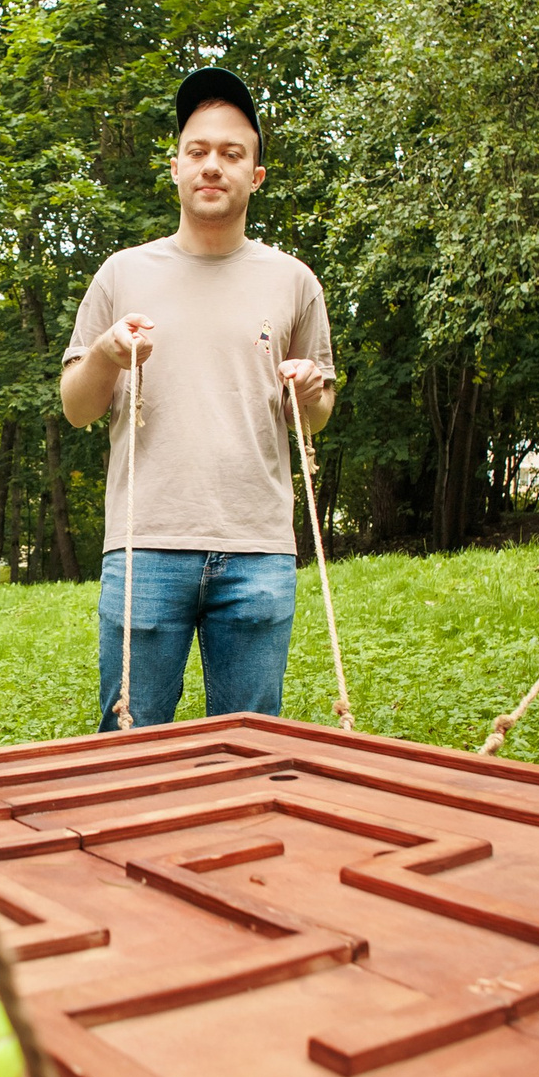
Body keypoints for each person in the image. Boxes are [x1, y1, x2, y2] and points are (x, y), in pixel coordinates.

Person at [61, 68, 336, 730]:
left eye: (232, 154)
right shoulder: (123, 274)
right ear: (177, 168)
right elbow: (76, 407)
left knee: (250, 746)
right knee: (129, 748)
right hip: (144, 545)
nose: (213, 166)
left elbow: (317, 415)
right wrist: (105, 353)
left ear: (255, 176)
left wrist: (307, 387)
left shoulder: (295, 281)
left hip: (260, 550)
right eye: (199, 152)